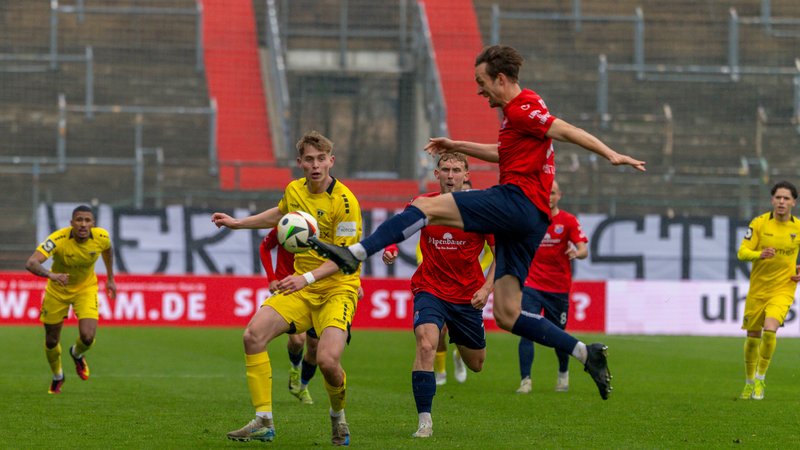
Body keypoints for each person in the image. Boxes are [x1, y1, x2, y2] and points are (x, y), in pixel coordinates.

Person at [309, 44, 647, 400]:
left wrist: (610, 153)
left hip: (517, 201)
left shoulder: (522, 108)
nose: (478, 89)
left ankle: (354, 254)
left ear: (500, 79)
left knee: (426, 205)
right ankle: (584, 353)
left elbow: (563, 130)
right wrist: (456, 144)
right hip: (531, 220)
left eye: (481, 81)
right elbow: (503, 153)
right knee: (507, 314)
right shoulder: (518, 116)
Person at [214, 130, 362, 445]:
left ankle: (338, 417)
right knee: (253, 336)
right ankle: (264, 421)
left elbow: (344, 258)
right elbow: (280, 214)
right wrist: (238, 223)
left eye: (321, 159)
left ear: (331, 161)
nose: (316, 165)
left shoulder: (346, 202)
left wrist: (304, 278)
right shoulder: (294, 190)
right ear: (300, 163)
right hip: (302, 290)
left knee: (327, 361)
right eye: (309, 159)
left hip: (337, 289)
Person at [382, 153, 495, 438]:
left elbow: (502, 255)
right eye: (445, 169)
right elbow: (397, 229)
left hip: (468, 297)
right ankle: (425, 420)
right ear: (436, 173)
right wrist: (391, 247)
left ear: (466, 175)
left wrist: (486, 288)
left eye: (456, 170)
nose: (450, 175)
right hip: (429, 289)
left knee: (477, 364)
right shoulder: (424, 204)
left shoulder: (481, 211)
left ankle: (459, 354)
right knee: (426, 345)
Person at [25, 205, 116, 394]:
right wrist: (51, 275)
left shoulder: (101, 237)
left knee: (88, 337)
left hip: (86, 288)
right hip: (58, 290)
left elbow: (108, 250)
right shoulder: (57, 239)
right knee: (51, 340)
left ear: (93, 224)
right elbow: (31, 263)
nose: (83, 224)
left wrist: (110, 278)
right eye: (79, 220)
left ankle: (76, 353)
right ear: (71, 223)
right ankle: (58, 375)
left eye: (87, 220)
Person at [516, 180, 588, 394]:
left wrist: (576, 252)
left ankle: (563, 373)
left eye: (553, 192)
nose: (549, 196)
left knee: (559, 336)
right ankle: (526, 380)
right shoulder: (529, 219)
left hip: (558, 288)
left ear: (560, 195)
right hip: (531, 285)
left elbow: (583, 248)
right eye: (546, 192)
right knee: (526, 331)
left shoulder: (568, 221)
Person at [736, 180, 800, 400]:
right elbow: (742, 253)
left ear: (793, 202)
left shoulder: (798, 227)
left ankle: (761, 379)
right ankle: (748, 381)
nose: (781, 202)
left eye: (786, 198)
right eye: (778, 198)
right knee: (753, 336)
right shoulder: (760, 223)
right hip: (758, 290)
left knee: (771, 329)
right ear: (772, 200)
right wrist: (759, 254)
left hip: (783, 288)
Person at [258, 229, 318, 405]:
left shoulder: (322, 226)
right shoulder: (289, 224)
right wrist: (271, 278)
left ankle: (302, 386)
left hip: (316, 290)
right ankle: (295, 368)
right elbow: (264, 246)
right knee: (298, 341)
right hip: (288, 288)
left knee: (314, 348)